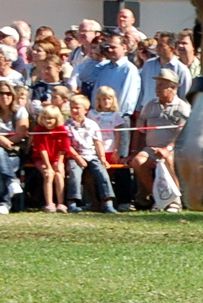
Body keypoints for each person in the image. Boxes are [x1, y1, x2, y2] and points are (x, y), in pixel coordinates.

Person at [129, 72, 189, 210]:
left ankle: (176, 201)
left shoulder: (182, 107)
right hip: (151, 148)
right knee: (138, 161)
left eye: (161, 85)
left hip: (175, 149)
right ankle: (160, 197)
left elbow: (182, 134)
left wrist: (167, 148)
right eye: (157, 85)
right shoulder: (149, 106)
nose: (157, 88)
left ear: (173, 88)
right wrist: (134, 151)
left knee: (167, 159)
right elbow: (140, 131)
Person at [63, 95, 116, 212]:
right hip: (75, 155)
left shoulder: (92, 125)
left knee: (102, 173)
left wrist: (102, 158)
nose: (74, 111)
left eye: (77, 108)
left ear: (86, 110)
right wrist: (77, 158)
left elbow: (98, 143)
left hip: (91, 155)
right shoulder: (67, 125)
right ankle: (73, 202)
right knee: (74, 173)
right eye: (72, 108)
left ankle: (107, 202)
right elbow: (67, 145)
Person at [31, 103, 75, 212]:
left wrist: (59, 163)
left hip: (56, 157)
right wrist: (48, 166)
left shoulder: (62, 129)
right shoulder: (39, 129)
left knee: (59, 173)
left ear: (56, 119)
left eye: (50, 118)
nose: (47, 121)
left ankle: (61, 203)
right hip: (41, 158)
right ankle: (49, 204)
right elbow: (41, 149)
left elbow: (63, 148)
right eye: (45, 118)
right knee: (48, 174)